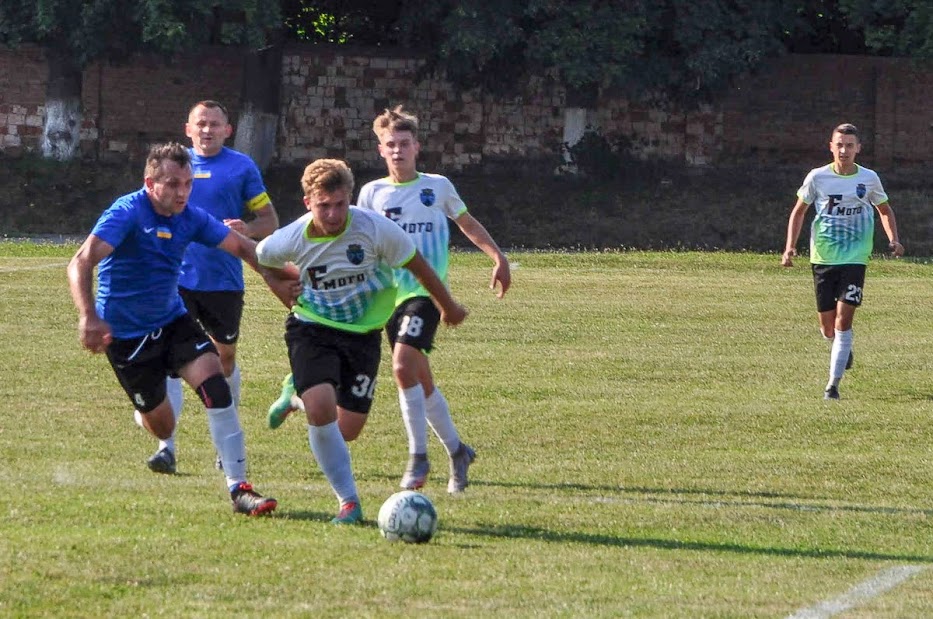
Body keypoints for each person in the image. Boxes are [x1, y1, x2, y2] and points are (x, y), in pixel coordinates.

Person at [267, 105, 510, 494]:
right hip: (382, 298)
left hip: (423, 293)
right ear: (380, 150)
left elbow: (467, 223)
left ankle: (418, 458)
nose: (397, 151)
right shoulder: (370, 194)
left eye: (404, 143)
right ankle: (458, 450)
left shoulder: (438, 186)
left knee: (402, 365)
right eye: (389, 145)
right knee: (418, 378)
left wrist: (498, 257)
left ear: (417, 146)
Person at [67, 142, 277, 515]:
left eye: (187, 184)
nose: (182, 193)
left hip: (172, 321)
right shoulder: (127, 212)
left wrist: (278, 279)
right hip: (127, 336)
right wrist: (88, 316)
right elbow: (80, 262)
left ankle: (240, 488)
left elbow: (243, 247)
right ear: (151, 183)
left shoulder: (190, 217)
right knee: (163, 427)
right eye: (173, 184)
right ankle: (144, 410)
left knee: (215, 382)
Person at [256, 158, 468, 524]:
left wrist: (448, 306)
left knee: (348, 430)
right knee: (322, 406)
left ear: (349, 198)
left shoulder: (374, 229)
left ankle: (295, 395)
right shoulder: (292, 237)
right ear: (308, 202)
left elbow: (417, 265)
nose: (334, 214)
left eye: (340, 204)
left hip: (363, 335)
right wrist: (278, 283)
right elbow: (261, 257)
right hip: (312, 327)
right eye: (324, 206)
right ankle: (349, 502)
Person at [137, 100, 279, 475]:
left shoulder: (241, 167)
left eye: (215, 124)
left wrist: (247, 230)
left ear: (227, 130)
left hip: (223, 282)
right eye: (201, 124)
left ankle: (225, 442)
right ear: (188, 128)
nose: (207, 130)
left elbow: (270, 220)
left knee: (223, 359)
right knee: (172, 361)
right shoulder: (175, 167)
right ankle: (166, 447)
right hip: (177, 280)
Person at [781, 122, 903, 400]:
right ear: (831, 147)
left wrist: (894, 238)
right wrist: (790, 247)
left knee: (843, 320)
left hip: (855, 258)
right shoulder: (817, 177)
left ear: (858, 148)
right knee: (827, 328)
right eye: (840, 144)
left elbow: (884, 210)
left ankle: (832, 386)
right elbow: (799, 212)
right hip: (823, 257)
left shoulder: (869, 178)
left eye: (850, 145)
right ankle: (842, 348)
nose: (844, 150)